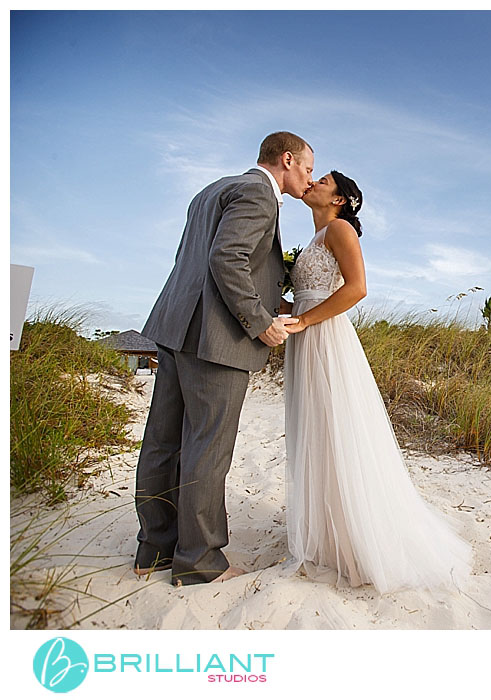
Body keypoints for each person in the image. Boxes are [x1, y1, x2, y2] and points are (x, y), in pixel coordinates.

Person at [134, 131, 312, 586]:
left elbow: (195, 260)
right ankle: (198, 561)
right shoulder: (257, 193)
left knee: (163, 441)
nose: (308, 178)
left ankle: (154, 548)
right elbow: (227, 257)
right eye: (307, 169)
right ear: (286, 159)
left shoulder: (211, 189)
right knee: (207, 450)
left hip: (176, 328)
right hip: (217, 341)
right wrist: (260, 320)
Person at [284, 171, 470, 593]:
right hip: (305, 334)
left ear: (341, 200)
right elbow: (309, 294)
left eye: (324, 180)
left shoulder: (340, 229)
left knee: (335, 427)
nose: (313, 182)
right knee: (314, 429)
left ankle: (356, 534)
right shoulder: (316, 238)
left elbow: (357, 289)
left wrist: (307, 320)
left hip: (326, 336)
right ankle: (328, 532)